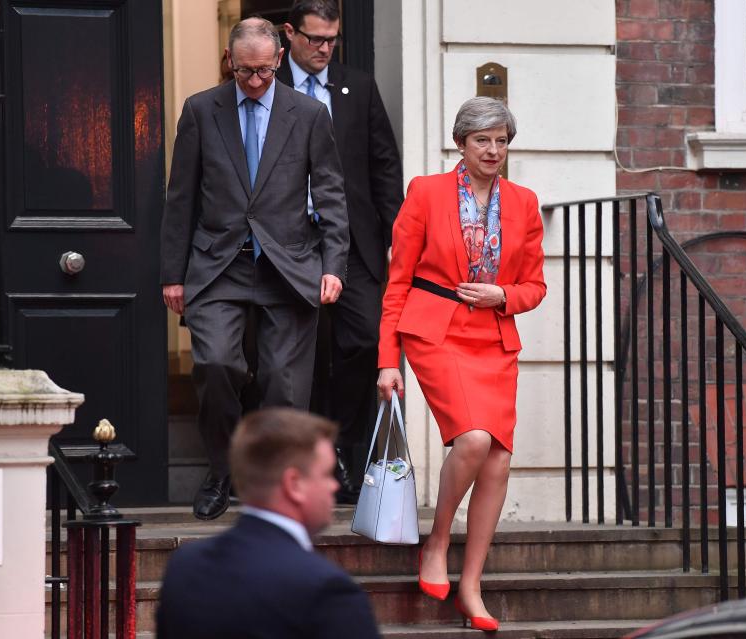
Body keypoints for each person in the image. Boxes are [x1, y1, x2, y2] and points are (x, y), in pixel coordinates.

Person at [159, 17, 349, 521]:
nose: (256, 81)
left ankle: (275, 490)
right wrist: (172, 274)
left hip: (289, 265)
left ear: (279, 59)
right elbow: (181, 197)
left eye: (265, 70)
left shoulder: (308, 114)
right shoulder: (201, 110)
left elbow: (330, 193)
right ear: (231, 61)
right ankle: (221, 469)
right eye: (246, 72)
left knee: (285, 388)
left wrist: (334, 265)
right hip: (219, 264)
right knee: (217, 364)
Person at [377, 97, 546, 632]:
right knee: (472, 440)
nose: (493, 150)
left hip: (494, 337)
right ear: (461, 143)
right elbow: (398, 281)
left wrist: (504, 295)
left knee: (496, 460)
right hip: (437, 332)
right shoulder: (425, 192)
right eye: (482, 140)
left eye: (501, 141)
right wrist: (388, 360)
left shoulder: (524, 202)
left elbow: (536, 286)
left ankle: (471, 585)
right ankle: (437, 541)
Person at [276, 0, 404, 504]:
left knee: (365, 342)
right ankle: (295, 463)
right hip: (288, 244)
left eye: (332, 40)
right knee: (291, 356)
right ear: (290, 34)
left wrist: (398, 240)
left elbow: (383, 166)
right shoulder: (269, 84)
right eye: (314, 40)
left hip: (353, 242)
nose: (325, 49)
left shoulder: (358, 87)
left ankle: (346, 449)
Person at [155, 408, 381, 638]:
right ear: (294, 484)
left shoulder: (185, 566)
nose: (334, 486)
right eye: (325, 474)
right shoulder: (328, 591)